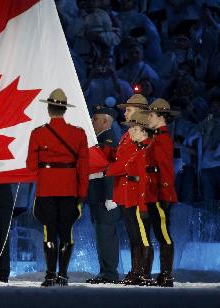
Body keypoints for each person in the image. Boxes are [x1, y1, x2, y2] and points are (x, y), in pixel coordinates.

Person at [26, 88, 89, 287]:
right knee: (66, 232)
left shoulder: (38, 133)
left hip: (47, 188)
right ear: (64, 109)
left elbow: (30, 165)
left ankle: (50, 275)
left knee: (49, 231)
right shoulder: (78, 134)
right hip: (69, 188)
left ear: (49, 109)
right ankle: (63, 275)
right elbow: (84, 168)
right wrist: (82, 194)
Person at [103, 93, 149, 284]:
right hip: (126, 190)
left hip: (136, 191)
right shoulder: (127, 133)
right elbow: (119, 157)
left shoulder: (140, 133)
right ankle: (136, 270)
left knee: (140, 234)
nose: (126, 112)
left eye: (129, 109)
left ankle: (141, 272)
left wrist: (107, 168)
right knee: (133, 233)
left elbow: (125, 163)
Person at [141, 98, 179, 287]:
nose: (148, 117)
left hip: (159, 193)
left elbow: (165, 169)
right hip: (152, 191)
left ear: (161, 117)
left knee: (163, 233)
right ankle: (164, 274)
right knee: (159, 232)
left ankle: (166, 274)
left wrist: (165, 193)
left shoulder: (162, 138)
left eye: (151, 115)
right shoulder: (156, 137)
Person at [116, 111, 157, 286]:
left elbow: (146, 182)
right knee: (136, 236)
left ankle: (144, 273)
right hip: (133, 197)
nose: (130, 132)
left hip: (141, 200)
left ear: (143, 131)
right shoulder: (140, 148)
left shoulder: (146, 151)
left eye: (133, 128)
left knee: (143, 237)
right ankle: (138, 271)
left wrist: (142, 204)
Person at [86, 105, 121, 284]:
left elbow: (111, 170)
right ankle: (105, 272)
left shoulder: (109, 140)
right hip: (97, 195)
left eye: (95, 119)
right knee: (102, 235)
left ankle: (110, 274)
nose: (92, 122)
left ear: (105, 121)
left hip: (105, 196)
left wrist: (110, 196)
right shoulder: (100, 139)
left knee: (106, 235)